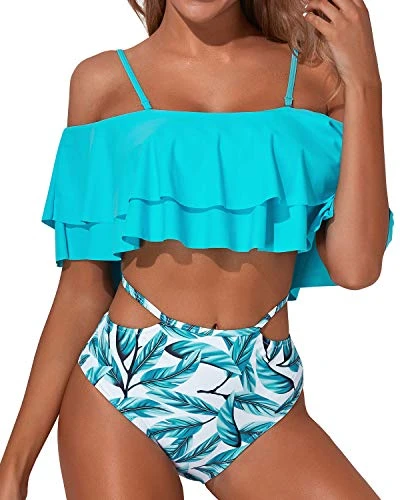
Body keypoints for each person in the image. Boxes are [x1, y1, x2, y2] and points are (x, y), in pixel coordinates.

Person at [0, 0, 394, 498]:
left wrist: (365, 83)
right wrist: (14, 467)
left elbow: (357, 268)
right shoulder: (103, 82)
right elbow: (82, 287)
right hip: (123, 386)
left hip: (261, 392)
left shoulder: (319, 78)